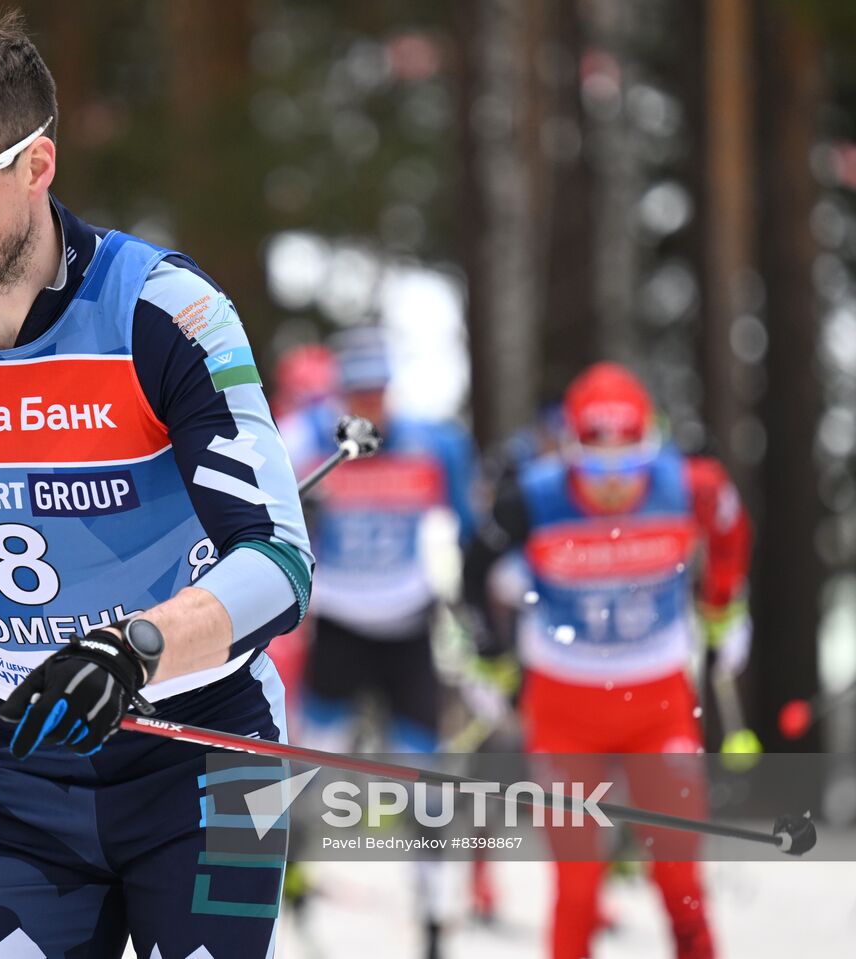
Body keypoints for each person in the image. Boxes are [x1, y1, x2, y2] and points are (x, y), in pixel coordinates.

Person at [0, 14, 312, 956]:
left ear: (37, 167)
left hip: (211, 747)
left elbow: (278, 561)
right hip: (15, 763)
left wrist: (139, 646)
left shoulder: (165, 314)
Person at [461, 362, 752, 959]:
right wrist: (488, 658)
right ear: (568, 449)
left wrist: (724, 608)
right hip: (566, 711)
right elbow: (472, 573)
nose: (614, 485)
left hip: (659, 705)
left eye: (631, 465)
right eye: (595, 468)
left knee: (680, 879)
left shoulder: (689, 484)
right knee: (577, 886)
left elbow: (730, 534)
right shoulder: (535, 497)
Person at [278, 326, 478, 957]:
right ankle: (287, 868)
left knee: (425, 779)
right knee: (313, 761)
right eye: (359, 392)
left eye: (380, 390)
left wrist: (473, 614)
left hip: (408, 622)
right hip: (339, 621)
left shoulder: (431, 444)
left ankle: (435, 920)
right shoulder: (309, 438)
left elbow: (468, 529)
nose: (371, 404)